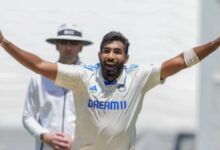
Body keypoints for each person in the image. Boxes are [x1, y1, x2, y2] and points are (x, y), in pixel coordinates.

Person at [0, 30, 219, 150]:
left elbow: (182, 60)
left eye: (117, 51)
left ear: (126, 57)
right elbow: (38, 65)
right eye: (106, 51)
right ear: (99, 55)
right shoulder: (82, 75)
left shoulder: (139, 76)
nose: (111, 56)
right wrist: (4, 42)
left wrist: (217, 41)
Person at [22, 23, 93, 150]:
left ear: (81, 47)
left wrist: (76, 141)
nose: (68, 47)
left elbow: (98, 120)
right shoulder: (39, 77)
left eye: (73, 43)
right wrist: (45, 136)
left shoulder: (91, 78)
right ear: (56, 45)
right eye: (64, 42)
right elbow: (27, 117)